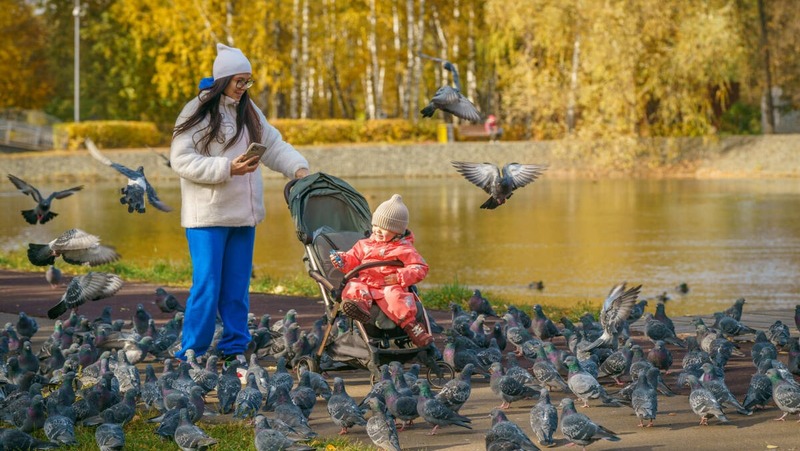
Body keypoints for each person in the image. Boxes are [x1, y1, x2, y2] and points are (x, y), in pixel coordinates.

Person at [170, 43, 310, 368]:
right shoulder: (197, 112)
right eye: (239, 81)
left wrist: (300, 170)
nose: (244, 87)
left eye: (248, 81)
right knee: (207, 284)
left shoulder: (249, 111)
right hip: (207, 217)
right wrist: (227, 168)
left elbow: (274, 145)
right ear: (223, 79)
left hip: (243, 217)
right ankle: (192, 351)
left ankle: (234, 348)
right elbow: (181, 160)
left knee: (237, 286)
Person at [329, 194, 434, 347]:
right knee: (353, 285)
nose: (378, 230)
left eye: (385, 228)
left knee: (396, 297)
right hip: (367, 284)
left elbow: (420, 268)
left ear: (397, 231)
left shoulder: (404, 248)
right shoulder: (363, 244)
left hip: (388, 286)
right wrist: (342, 260)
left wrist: (399, 276)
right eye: (376, 226)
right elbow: (352, 261)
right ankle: (359, 307)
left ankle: (412, 327)